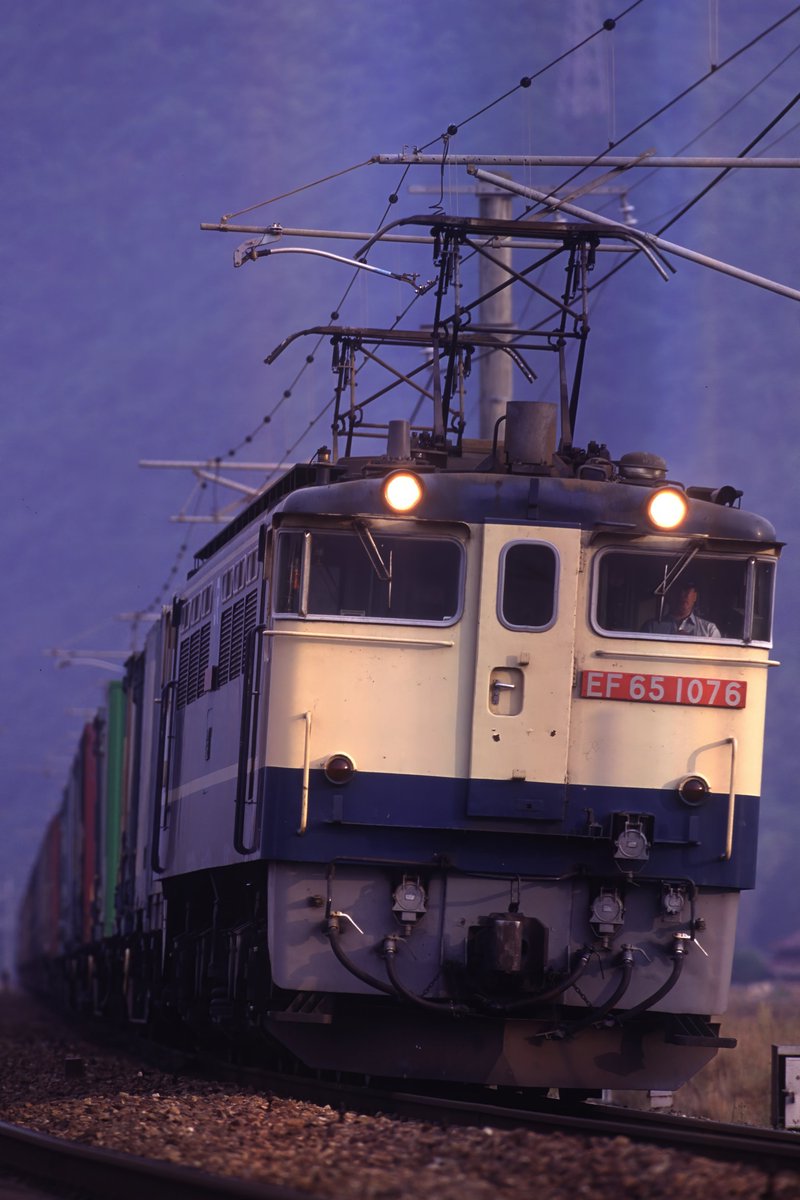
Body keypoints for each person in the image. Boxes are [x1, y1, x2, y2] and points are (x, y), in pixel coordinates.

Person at [642, 581, 720, 638]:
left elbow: (716, 658)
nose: (681, 595)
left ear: (695, 596)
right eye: (677, 589)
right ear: (668, 594)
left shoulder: (709, 630)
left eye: (687, 590)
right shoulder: (651, 628)